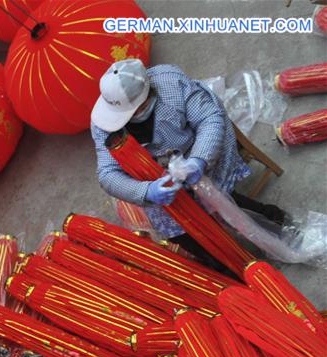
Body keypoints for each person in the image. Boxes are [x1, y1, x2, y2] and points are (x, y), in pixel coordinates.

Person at [90, 59, 287, 270]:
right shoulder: (104, 123)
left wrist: (198, 161)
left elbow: (209, 119)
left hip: (199, 155)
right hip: (156, 181)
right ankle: (229, 265)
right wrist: (147, 191)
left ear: (146, 95)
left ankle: (270, 218)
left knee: (219, 195)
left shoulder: (171, 82)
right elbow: (108, 174)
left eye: (137, 110)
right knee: (182, 232)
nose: (130, 117)